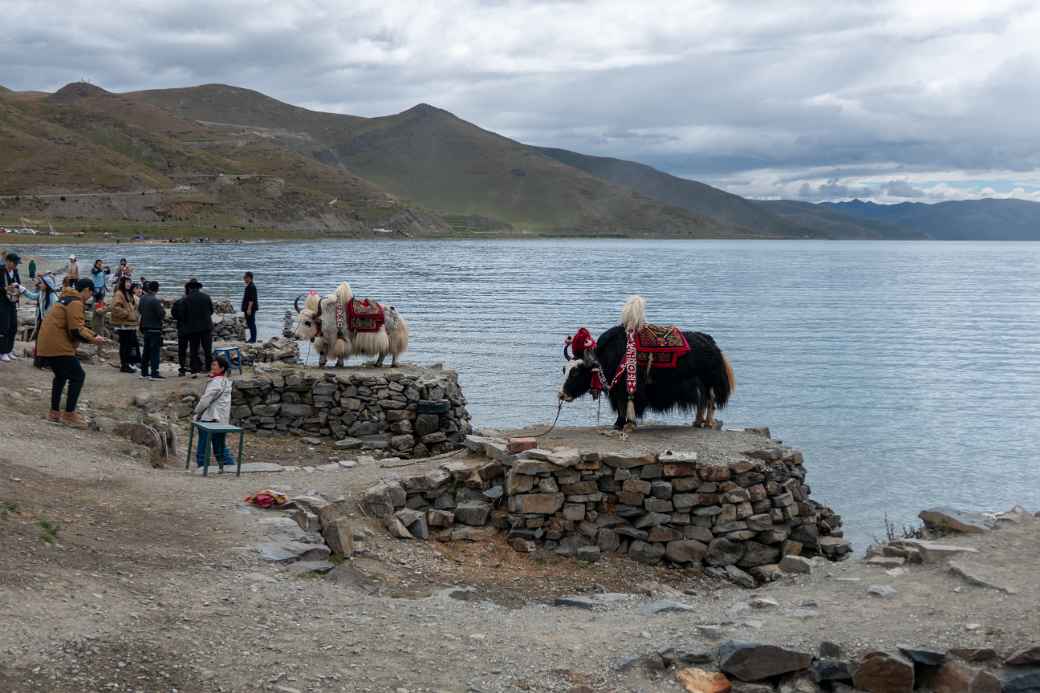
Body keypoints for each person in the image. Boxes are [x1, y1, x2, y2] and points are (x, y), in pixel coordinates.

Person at [36, 278, 105, 427]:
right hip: (57, 345)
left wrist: (93, 335)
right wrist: (94, 339)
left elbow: (77, 326)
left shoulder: (65, 299)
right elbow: (75, 331)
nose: (90, 297)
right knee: (78, 375)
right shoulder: (75, 302)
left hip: (46, 343)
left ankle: (54, 413)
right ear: (86, 290)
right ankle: (69, 414)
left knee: (60, 376)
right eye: (90, 293)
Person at [192, 355, 236, 469]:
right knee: (220, 445)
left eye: (214, 365)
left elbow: (205, 400)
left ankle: (202, 466)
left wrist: (197, 411)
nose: (212, 366)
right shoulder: (226, 382)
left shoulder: (215, 382)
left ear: (221, 368)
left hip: (210, 417)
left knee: (203, 444)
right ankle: (229, 466)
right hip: (221, 419)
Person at [183, 278, 213, 376]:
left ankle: (195, 369)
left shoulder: (187, 299)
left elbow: (184, 314)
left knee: (194, 350)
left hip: (193, 328)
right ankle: (208, 367)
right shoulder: (206, 297)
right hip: (206, 327)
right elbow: (211, 311)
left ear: (190, 288)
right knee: (207, 349)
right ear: (198, 288)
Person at [110, 276, 140, 373]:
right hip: (123, 324)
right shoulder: (119, 293)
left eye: (129, 282)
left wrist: (133, 314)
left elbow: (133, 306)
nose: (128, 284)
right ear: (122, 283)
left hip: (130, 324)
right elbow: (115, 308)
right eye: (126, 282)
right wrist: (127, 314)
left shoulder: (128, 293)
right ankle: (124, 365)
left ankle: (129, 363)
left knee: (129, 344)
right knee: (125, 345)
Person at [138, 280, 165, 380]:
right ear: (157, 289)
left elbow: (140, 310)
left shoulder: (143, 298)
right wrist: (161, 307)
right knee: (154, 352)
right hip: (155, 328)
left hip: (145, 327)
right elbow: (161, 314)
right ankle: (154, 373)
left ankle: (144, 373)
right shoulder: (155, 300)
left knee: (146, 351)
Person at [0, 252, 23, 362]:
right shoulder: (1, 271)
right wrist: (5, 288)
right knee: (4, 327)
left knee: (13, 326)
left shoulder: (15, 271)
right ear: (8, 262)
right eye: (15, 263)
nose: (16, 265)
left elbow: (19, 283)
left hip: (12, 301)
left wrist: (17, 287)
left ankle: (9, 350)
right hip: (2, 303)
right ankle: (2, 352)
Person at [171, 282, 190, 376]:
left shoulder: (179, 302)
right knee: (194, 349)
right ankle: (194, 368)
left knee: (182, 349)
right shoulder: (193, 302)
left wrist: (179, 318)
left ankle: (182, 368)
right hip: (193, 328)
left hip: (182, 328)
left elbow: (173, 314)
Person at [241, 271, 258, 343]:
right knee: (250, 323)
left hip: (250, 308)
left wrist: (249, 309)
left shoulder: (252, 287)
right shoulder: (249, 286)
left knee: (251, 323)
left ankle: (253, 339)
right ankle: (252, 338)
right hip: (248, 308)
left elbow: (251, 299)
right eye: (244, 278)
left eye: (245, 278)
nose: (244, 279)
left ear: (249, 278)